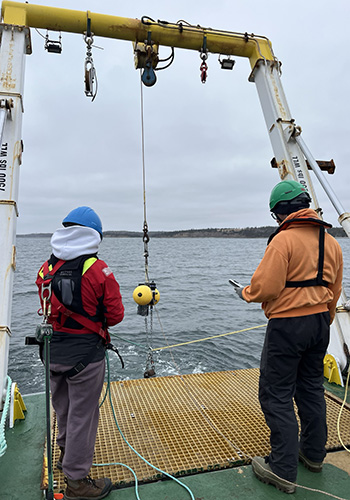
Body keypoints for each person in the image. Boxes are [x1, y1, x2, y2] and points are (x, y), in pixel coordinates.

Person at [233, 180, 343, 494]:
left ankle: (281, 469)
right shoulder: (331, 242)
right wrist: (324, 318)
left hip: (287, 326)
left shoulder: (283, 241)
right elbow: (334, 290)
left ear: (281, 212)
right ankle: (313, 454)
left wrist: (246, 293)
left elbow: (266, 287)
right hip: (320, 323)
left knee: (276, 394)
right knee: (310, 388)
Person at [36, 206, 124, 500]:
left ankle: (65, 454)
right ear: (94, 236)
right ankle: (76, 481)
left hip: (51, 352)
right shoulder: (98, 270)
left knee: (62, 407)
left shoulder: (46, 268)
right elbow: (115, 315)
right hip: (85, 357)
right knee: (82, 416)